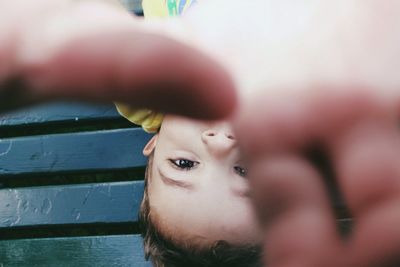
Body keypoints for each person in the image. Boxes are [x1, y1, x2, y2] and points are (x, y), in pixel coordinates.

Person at [2, 0, 400, 266]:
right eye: (244, 173)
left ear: (154, 141)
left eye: (184, 164)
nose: (220, 145)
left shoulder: (148, 90)